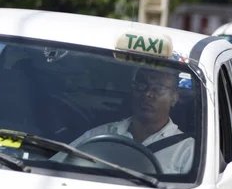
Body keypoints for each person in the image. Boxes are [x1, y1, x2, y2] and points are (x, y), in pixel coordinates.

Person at [54, 67, 194, 174]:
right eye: (140, 86)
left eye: (158, 89)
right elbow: (55, 167)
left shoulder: (187, 149)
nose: (148, 94)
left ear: (174, 98)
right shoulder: (98, 137)